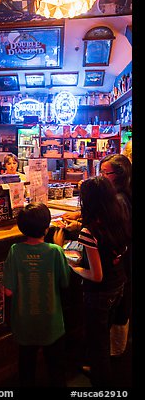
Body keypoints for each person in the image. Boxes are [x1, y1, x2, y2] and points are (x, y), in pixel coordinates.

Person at [66, 176, 129, 387]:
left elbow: (96, 275)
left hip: (100, 292)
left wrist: (73, 266)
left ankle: (102, 381)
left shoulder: (89, 232)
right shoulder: (118, 216)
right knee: (104, 332)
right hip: (119, 283)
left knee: (98, 342)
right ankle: (99, 369)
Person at [3, 202, 70, 387]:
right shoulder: (56, 251)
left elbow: (8, 291)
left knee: (26, 369)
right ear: (47, 228)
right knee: (56, 370)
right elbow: (65, 282)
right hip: (52, 324)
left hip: (24, 324)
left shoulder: (15, 251)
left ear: (21, 228)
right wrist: (60, 248)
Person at [99, 154, 132, 357]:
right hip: (125, 255)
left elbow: (113, 229)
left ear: (118, 175)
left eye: (105, 173)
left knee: (119, 304)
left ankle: (113, 351)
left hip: (122, 258)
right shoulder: (122, 194)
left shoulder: (119, 199)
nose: (102, 177)